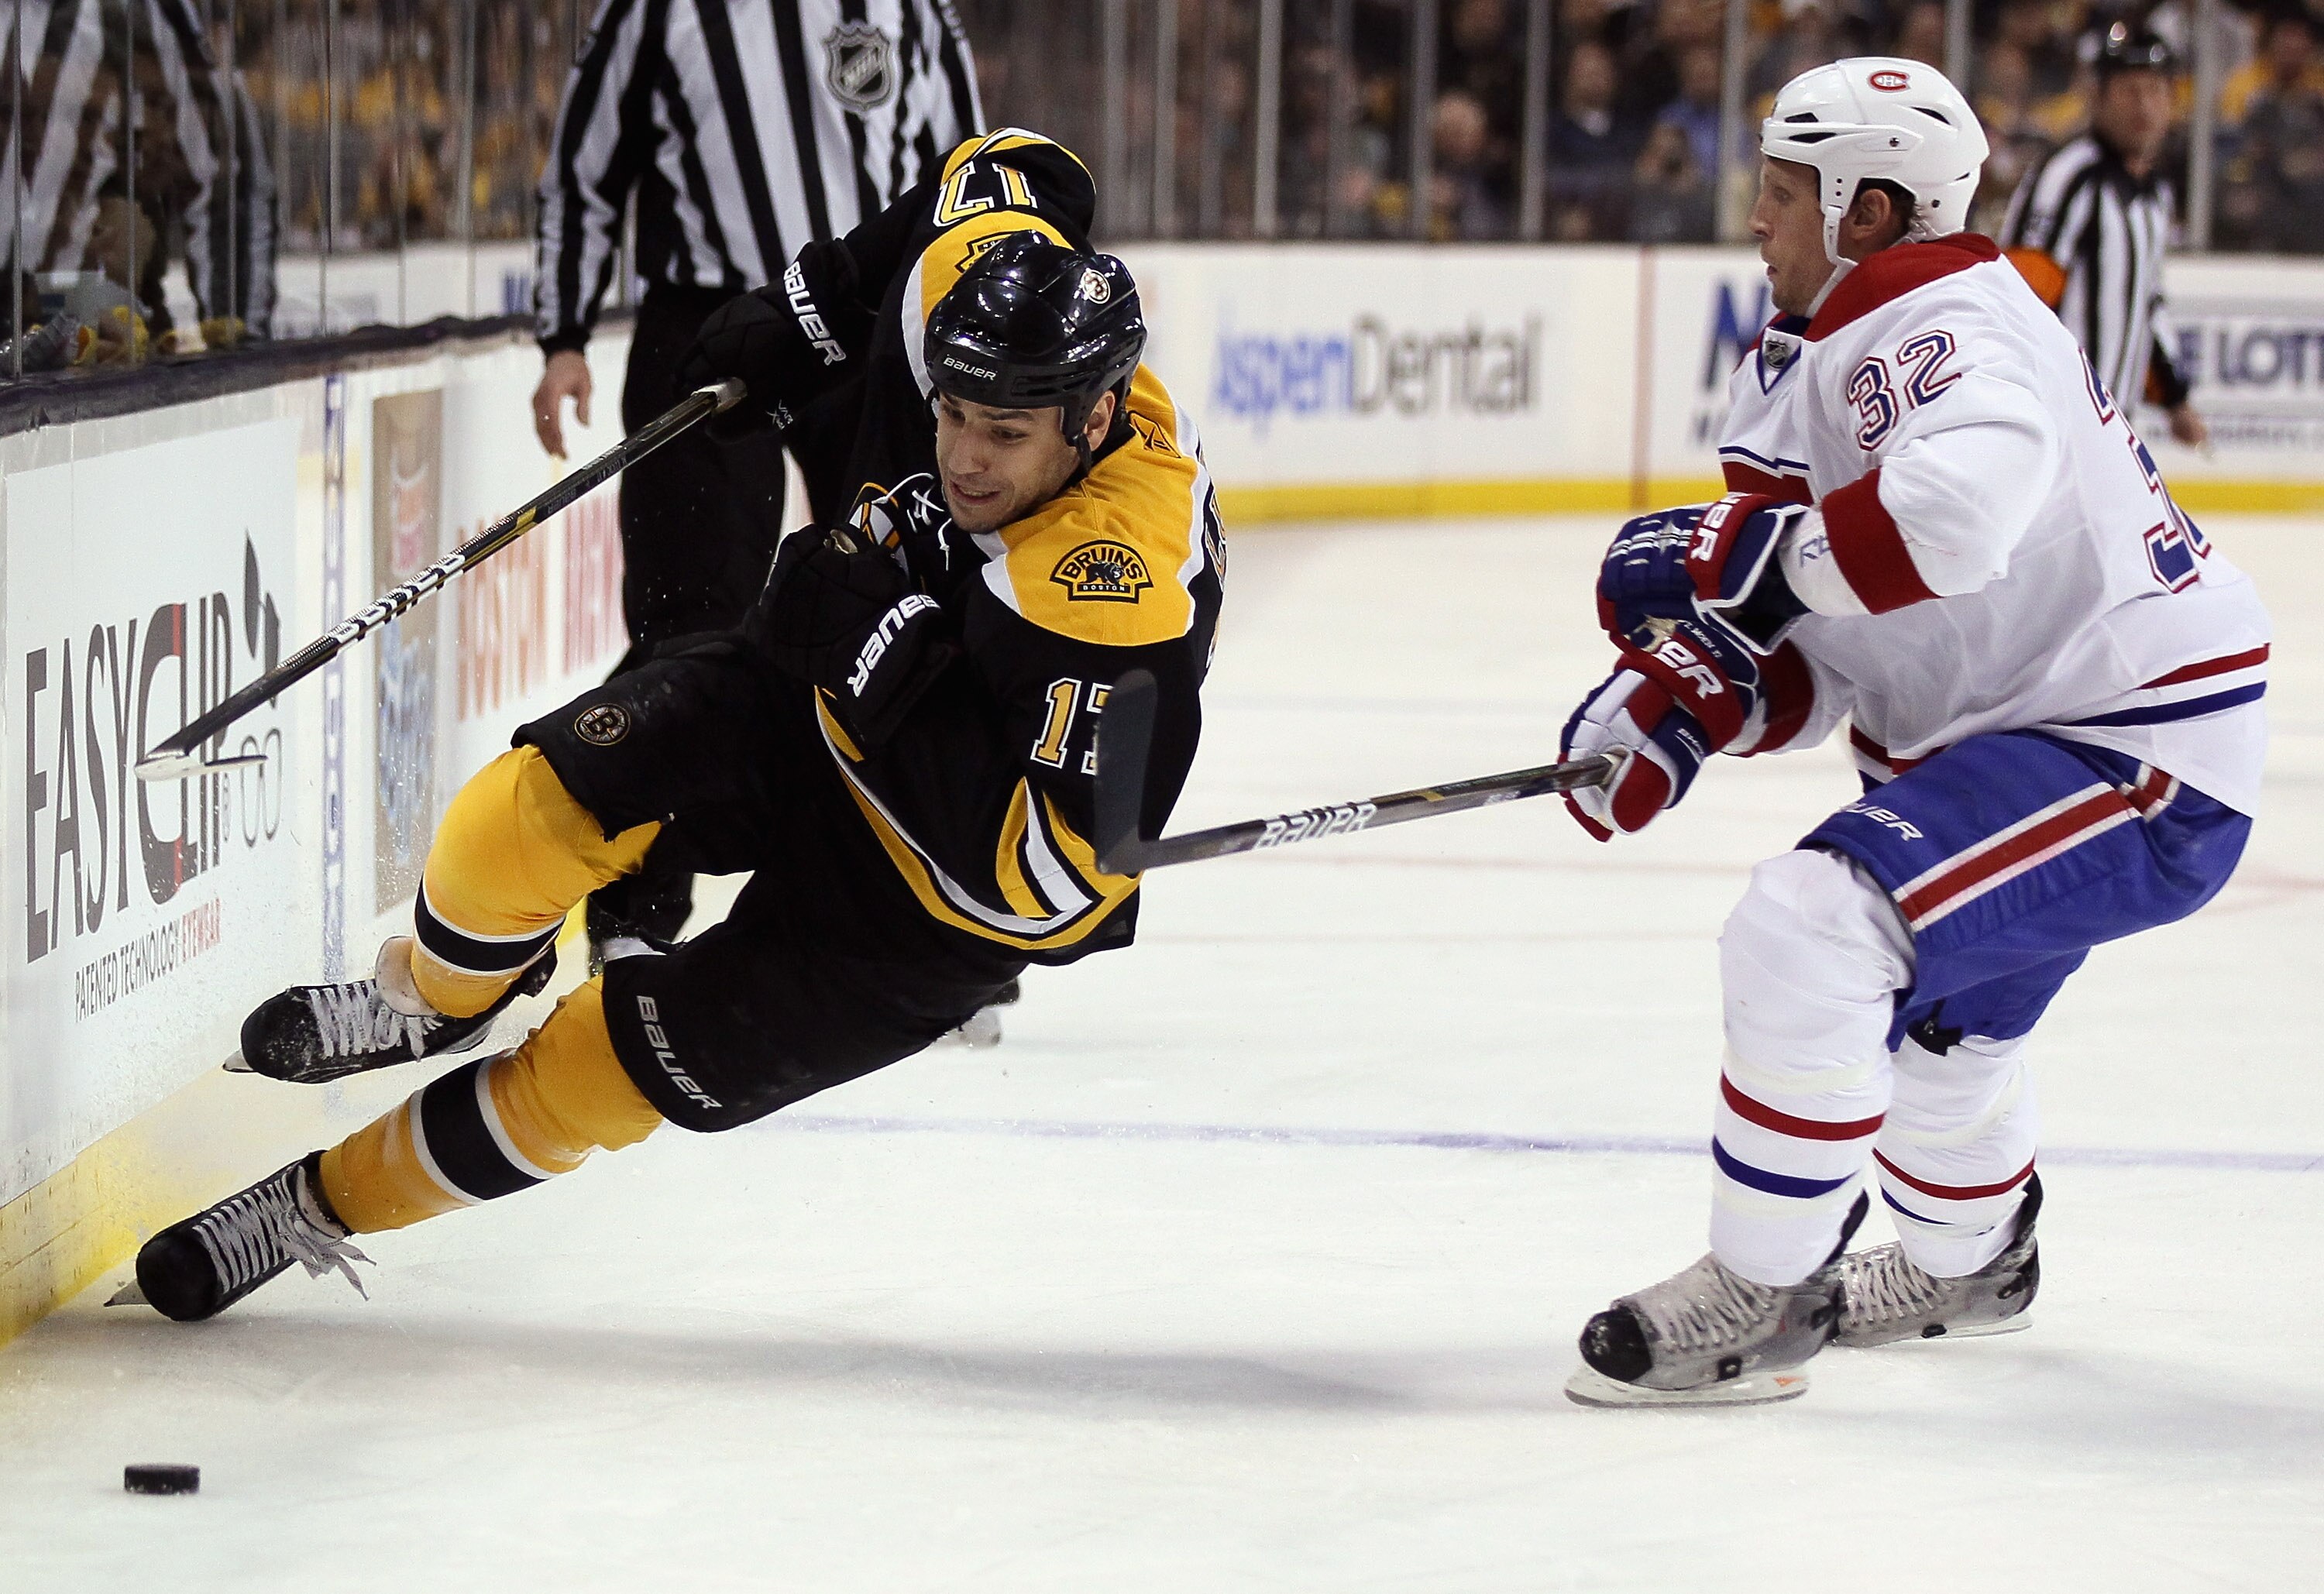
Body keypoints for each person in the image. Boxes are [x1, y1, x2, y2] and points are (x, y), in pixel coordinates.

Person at [122, 132, 1227, 1324]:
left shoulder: (1118, 586)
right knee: (517, 818)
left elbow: (1052, 889)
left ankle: (314, 1205)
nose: (962, 456)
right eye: (950, 414)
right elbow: (1008, 167)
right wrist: (810, 308)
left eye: (1005, 436)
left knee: (590, 1069)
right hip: (808, 708)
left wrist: (883, 658)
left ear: (1095, 415)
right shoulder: (967, 289)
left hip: (915, 915)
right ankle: (433, 997)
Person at [1557, 57, 2267, 1407]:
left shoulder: (1942, 317)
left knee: (1814, 927)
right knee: (1942, 1045)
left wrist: (1734, 559)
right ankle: (1973, 1264)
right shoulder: (1814, 351)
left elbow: (1949, 522)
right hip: (2036, 733)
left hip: (2130, 745)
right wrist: (1698, 698)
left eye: (1781, 194)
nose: (1755, 219)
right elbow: (1847, 634)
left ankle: (1765, 1291)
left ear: (1865, 211)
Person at [528, 0, 983, 947]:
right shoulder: (659, 10)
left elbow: (972, 181)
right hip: (708, 329)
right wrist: (563, 333)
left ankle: (932, 910)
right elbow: (584, 168)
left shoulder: (915, 11)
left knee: (915, 605)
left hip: (868, 332)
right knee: (690, 620)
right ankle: (636, 915)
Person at [1999, 25, 2207, 449]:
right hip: (2055, 421)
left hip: (2115, 427)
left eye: (2155, 91)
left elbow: (2145, 302)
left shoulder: (2156, 194)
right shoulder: (2068, 177)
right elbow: (2021, 294)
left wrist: (2174, 399)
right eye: (2130, 91)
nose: (2144, 105)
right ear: (2099, 96)